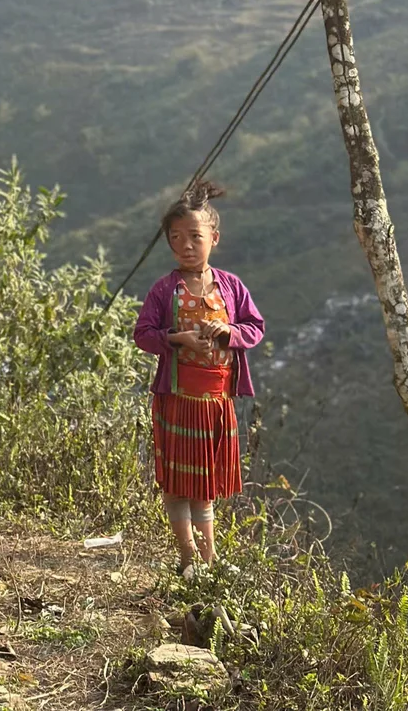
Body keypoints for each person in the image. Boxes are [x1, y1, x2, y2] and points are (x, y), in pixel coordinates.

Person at [132, 180, 265, 578]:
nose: (186, 245)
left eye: (195, 236)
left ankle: (208, 557)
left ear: (214, 238)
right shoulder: (163, 290)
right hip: (177, 398)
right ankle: (188, 554)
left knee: (205, 484)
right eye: (176, 238)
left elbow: (255, 327)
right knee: (177, 482)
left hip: (215, 401)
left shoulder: (231, 287)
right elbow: (143, 335)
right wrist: (176, 339)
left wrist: (229, 332)